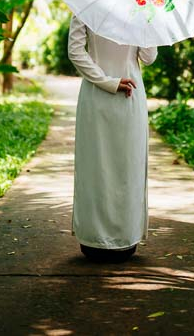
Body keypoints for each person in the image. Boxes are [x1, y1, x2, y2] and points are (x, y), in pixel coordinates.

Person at [67, 14, 157, 263]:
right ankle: (106, 238)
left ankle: (114, 237)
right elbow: (75, 52)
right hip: (118, 94)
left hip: (112, 94)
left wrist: (148, 18)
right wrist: (110, 82)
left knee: (119, 166)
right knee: (105, 166)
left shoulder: (89, 3)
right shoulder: (92, 3)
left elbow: (148, 57)